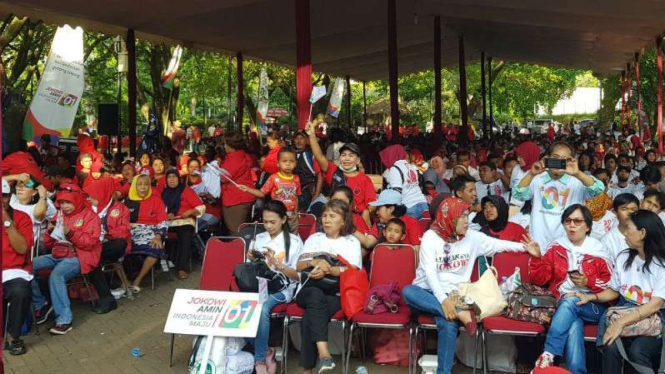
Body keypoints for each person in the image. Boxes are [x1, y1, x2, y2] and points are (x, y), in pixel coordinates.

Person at [402, 197, 540, 374]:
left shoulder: (472, 237)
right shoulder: (431, 237)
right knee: (408, 291)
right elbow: (430, 275)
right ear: (449, 217)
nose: (467, 221)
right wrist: (444, 302)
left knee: (448, 323)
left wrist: (525, 248)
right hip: (426, 292)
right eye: (461, 217)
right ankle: (461, 313)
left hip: (455, 294)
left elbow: (498, 245)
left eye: (467, 216)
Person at [576, 210, 665, 374]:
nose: (624, 232)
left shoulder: (661, 265)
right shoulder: (624, 257)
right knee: (610, 345)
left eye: (628, 228)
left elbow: (654, 306)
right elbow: (614, 291)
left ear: (642, 233)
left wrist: (620, 324)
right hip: (625, 309)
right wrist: (591, 297)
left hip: (655, 318)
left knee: (638, 351)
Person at [529, 204, 613, 374]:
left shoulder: (599, 250)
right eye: (568, 221)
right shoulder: (556, 247)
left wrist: (588, 281)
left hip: (595, 305)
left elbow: (612, 286)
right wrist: (537, 258)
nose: (572, 225)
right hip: (563, 305)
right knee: (573, 323)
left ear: (588, 226)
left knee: (571, 301)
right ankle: (577, 371)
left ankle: (549, 353)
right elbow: (540, 280)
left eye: (577, 221)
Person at [295, 200, 362, 373]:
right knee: (314, 295)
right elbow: (299, 266)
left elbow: (354, 270)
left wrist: (332, 270)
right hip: (307, 289)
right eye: (324, 216)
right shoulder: (314, 238)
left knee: (312, 313)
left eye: (332, 216)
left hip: (337, 294)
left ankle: (308, 369)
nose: (327, 220)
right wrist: (314, 261)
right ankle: (324, 353)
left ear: (344, 221)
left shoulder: (351, 242)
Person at [33, 183, 101, 335]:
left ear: (77, 200)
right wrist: (49, 232)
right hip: (58, 254)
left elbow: (90, 243)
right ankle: (40, 304)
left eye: (68, 202)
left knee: (57, 275)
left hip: (79, 256)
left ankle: (64, 320)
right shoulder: (59, 215)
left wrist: (70, 232)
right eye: (62, 202)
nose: (64, 206)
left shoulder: (90, 216)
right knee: (26, 267)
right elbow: (51, 244)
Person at [512, 141, 605, 252]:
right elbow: (518, 194)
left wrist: (577, 173)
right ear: (547, 158)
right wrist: (531, 174)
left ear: (570, 161)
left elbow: (599, 189)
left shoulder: (577, 181)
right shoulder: (537, 178)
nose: (558, 162)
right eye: (555, 157)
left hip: (567, 247)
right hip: (538, 246)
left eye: (564, 159)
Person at [248, 201, 304, 374]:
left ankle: (259, 360)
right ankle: (266, 350)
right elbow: (248, 268)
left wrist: (277, 265)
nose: (268, 226)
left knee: (263, 307)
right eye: (265, 222)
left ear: (283, 220)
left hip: (283, 288)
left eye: (273, 222)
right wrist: (251, 258)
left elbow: (299, 276)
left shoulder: (294, 242)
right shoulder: (259, 238)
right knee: (242, 307)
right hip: (259, 285)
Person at [307, 120, 376, 227]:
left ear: (358, 160)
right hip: (335, 220)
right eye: (343, 155)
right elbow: (319, 156)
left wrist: (367, 211)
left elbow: (372, 202)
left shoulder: (364, 179)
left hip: (355, 220)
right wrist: (311, 135)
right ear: (339, 158)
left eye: (351, 155)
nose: (347, 158)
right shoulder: (334, 171)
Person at [84, 176, 130, 313]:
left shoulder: (120, 208)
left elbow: (123, 231)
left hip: (110, 244)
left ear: (102, 194)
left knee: (118, 244)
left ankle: (106, 298)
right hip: (92, 247)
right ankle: (107, 299)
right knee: (92, 259)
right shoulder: (87, 210)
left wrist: (105, 234)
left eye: (92, 196)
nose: (89, 199)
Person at [2, 179, 34, 355]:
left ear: (9, 197)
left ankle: (13, 336)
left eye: (4, 196)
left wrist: (7, 221)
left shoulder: (22, 217)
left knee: (20, 291)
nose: (1, 200)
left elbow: (22, 248)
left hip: (14, 270)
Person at [239, 148, 301, 234]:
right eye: (284, 161)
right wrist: (247, 189)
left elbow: (296, 197)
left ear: (296, 163)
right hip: (277, 215)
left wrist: (296, 214)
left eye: (291, 161)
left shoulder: (296, 179)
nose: (288, 164)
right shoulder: (273, 178)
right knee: (278, 237)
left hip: (291, 216)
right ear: (278, 163)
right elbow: (262, 193)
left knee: (292, 237)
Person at [124, 175, 168, 292]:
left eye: (146, 184)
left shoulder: (156, 200)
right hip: (130, 233)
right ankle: (124, 281)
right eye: (140, 184)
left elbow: (163, 221)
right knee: (119, 248)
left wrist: (159, 236)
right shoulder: (126, 202)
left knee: (156, 247)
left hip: (151, 232)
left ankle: (138, 279)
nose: (143, 187)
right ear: (134, 186)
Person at [162, 169, 205, 279]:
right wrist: (167, 214)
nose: (172, 179)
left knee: (185, 234)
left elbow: (201, 207)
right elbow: (159, 210)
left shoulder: (186, 190)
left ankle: (182, 268)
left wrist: (190, 212)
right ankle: (162, 263)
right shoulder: (164, 193)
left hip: (184, 221)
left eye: (174, 177)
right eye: (169, 177)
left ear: (179, 178)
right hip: (169, 222)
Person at [359, 189, 422, 256]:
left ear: (391, 209)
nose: (377, 212)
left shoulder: (411, 222)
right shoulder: (379, 224)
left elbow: (416, 251)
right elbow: (368, 243)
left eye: (379, 208)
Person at [3, 173, 57, 249]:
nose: (20, 188)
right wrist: (16, 177)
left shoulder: (41, 203)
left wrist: (43, 196)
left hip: (24, 244)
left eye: (26, 186)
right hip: (5, 238)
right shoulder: (12, 199)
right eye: (18, 185)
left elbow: (39, 215)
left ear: (35, 192)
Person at [220, 132, 256, 235]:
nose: (224, 146)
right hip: (243, 196)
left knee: (235, 230)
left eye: (225, 144)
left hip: (236, 198)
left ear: (232, 144)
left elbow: (224, 177)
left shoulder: (235, 158)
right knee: (240, 229)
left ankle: (239, 250)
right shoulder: (242, 155)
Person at [380, 144, 429, 219]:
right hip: (423, 204)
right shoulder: (411, 166)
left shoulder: (395, 169)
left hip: (409, 207)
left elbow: (396, 193)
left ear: (391, 156)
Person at [601, 193, 639, 260]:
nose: (629, 212)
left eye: (633, 209)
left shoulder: (645, 234)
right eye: (624, 209)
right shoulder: (608, 240)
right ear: (615, 212)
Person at [293, 130, 323, 211]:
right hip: (292, 187)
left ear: (306, 140)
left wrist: (316, 194)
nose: (299, 141)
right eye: (296, 138)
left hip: (307, 188)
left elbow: (320, 175)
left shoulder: (311, 155)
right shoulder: (291, 154)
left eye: (301, 138)